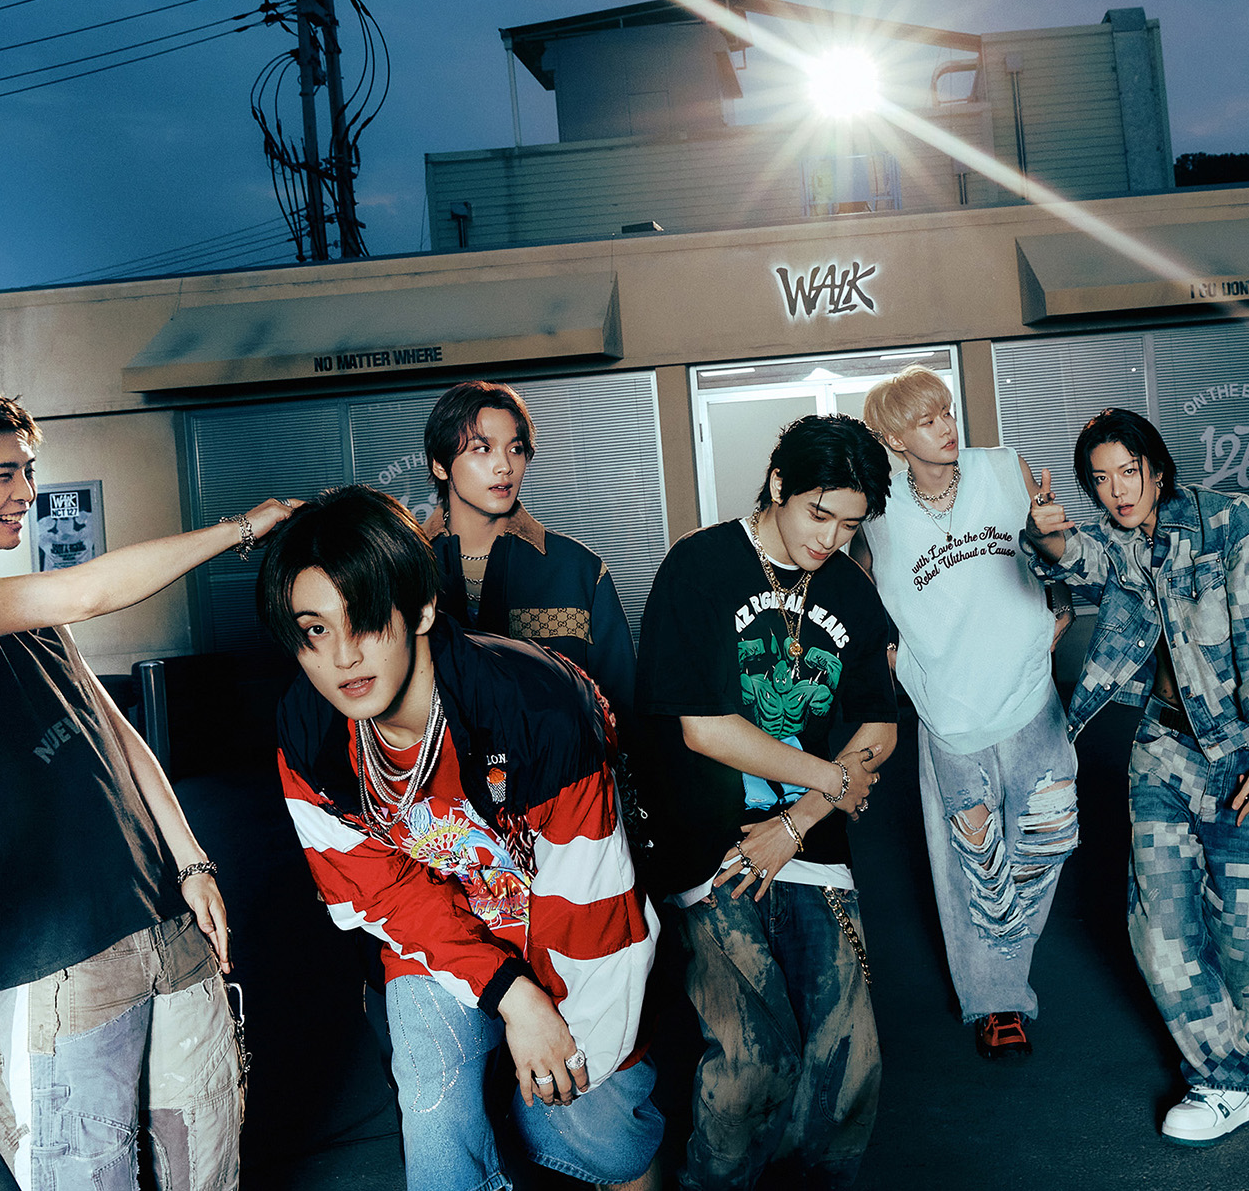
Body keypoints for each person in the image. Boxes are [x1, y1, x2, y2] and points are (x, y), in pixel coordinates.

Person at [0, 386, 285, 1190]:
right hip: (60, 960)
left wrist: (193, 862)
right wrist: (242, 528)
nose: (27, 493)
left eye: (28, 471)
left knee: (205, 1166)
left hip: (164, 927)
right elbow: (87, 589)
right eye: (3, 475)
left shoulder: (24, 611)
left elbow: (120, 738)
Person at [261, 485, 660, 1191]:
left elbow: (593, 910)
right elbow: (383, 894)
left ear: (420, 608)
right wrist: (512, 996)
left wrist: (552, 1030)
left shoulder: (537, 708)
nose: (343, 657)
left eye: (365, 619)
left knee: (597, 1135)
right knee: (435, 1112)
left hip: (569, 926)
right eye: (316, 630)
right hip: (440, 935)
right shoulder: (309, 733)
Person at [1024, 408, 1249, 1148]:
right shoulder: (1119, 542)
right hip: (1163, 754)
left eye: (1128, 472)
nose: (1117, 490)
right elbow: (1076, 560)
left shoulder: (1231, 521)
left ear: (1157, 467)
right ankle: (1227, 1080)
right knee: (1162, 933)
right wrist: (1048, 534)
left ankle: (1228, 1043)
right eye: (1100, 480)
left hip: (1247, 750)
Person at [636, 414, 896, 1189]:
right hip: (711, 848)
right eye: (820, 514)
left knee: (851, 1066)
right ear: (779, 483)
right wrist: (833, 779)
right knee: (755, 1064)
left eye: (849, 524)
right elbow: (705, 727)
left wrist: (802, 817)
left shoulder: (848, 586)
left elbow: (879, 727)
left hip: (808, 844)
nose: (830, 539)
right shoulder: (700, 566)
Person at [854, 366, 1076, 1061]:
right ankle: (998, 1000)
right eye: (926, 420)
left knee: (1045, 840)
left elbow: (1051, 554)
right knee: (971, 859)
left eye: (947, 412)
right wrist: (892, 659)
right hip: (949, 710)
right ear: (894, 438)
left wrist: (1059, 594)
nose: (947, 428)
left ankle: (1004, 962)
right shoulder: (877, 508)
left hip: (1029, 693)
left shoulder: (1003, 469)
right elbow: (853, 590)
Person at [421, 380, 636, 720]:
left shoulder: (577, 569)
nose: (504, 466)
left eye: (516, 449)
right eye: (482, 449)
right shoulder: (401, 567)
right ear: (440, 465)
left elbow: (625, 708)